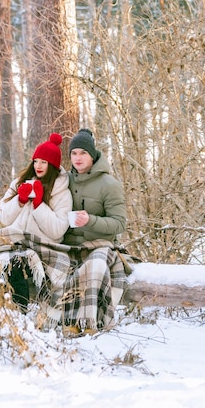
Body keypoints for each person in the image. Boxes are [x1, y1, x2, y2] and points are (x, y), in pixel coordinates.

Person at [0, 133, 72, 320]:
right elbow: (2, 218)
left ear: (52, 166)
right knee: (13, 262)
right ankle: (17, 316)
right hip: (15, 241)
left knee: (27, 263)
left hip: (45, 246)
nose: (38, 166)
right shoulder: (19, 183)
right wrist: (19, 200)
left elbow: (57, 231)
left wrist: (39, 204)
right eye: (36, 161)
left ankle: (43, 318)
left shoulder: (62, 193)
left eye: (44, 162)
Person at [61, 128, 127, 337]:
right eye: (74, 153)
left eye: (83, 153)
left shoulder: (109, 184)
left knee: (96, 266)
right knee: (60, 267)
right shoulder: (64, 181)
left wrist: (91, 220)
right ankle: (68, 322)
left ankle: (92, 322)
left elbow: (119, 224)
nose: (78, 158)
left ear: (93, 155)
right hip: (69, 245)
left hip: (100, 245)